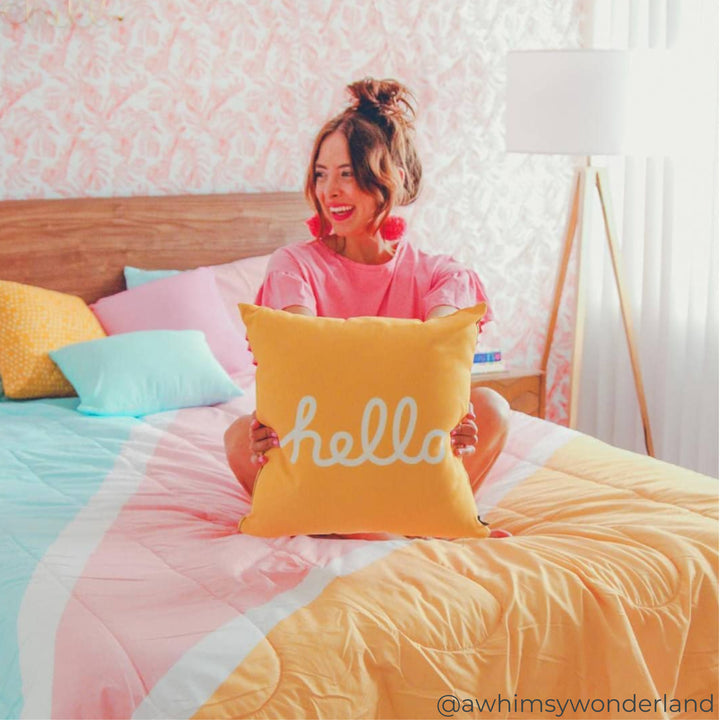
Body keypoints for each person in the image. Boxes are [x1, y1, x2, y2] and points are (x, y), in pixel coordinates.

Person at [225, 77, 510, 512]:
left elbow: (437, 361)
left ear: (391, 178)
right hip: (323, 439)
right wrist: (272, 423)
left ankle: (382, 518)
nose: (329, 191)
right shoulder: (293, 266)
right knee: (236, 436)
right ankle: (377, 520)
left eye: (347, 175)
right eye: (321, 175)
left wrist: (457, 416)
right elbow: (301, 363)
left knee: (490, 406)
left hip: (406, 440)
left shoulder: (440, 275)